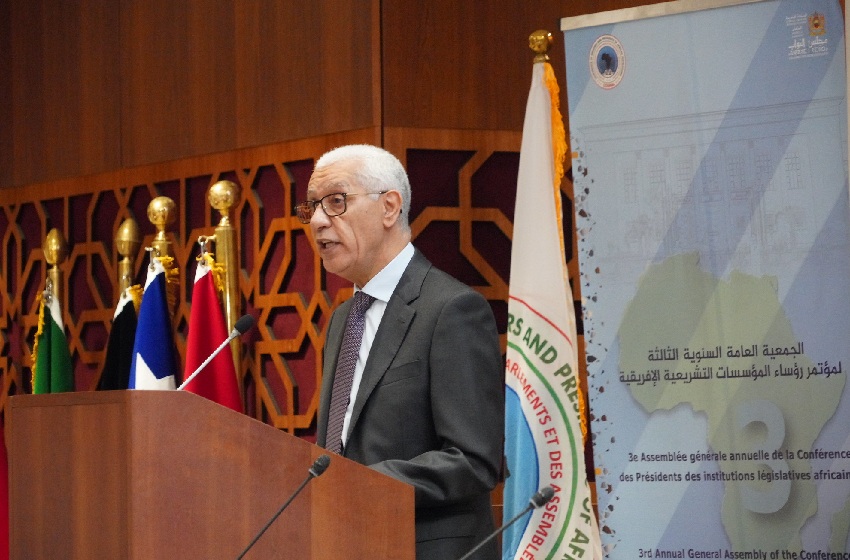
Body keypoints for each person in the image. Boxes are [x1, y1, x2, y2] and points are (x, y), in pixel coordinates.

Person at [297, 144, 504, 560]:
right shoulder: (343, 319)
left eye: (335, 202)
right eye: (312, 207)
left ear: (389, 207)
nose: (318, 221)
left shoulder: (451, 309)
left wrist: (361, 484)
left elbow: (475, 459)